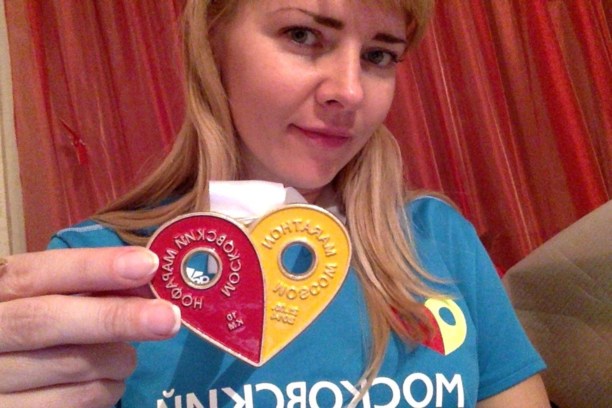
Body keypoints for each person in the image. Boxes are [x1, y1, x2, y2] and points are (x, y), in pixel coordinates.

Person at [0, 0, 550, 407]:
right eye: (304, 35)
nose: (350, 91)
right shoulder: (99, 272)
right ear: (214, 42)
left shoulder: (436, 237)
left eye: (379, 55)